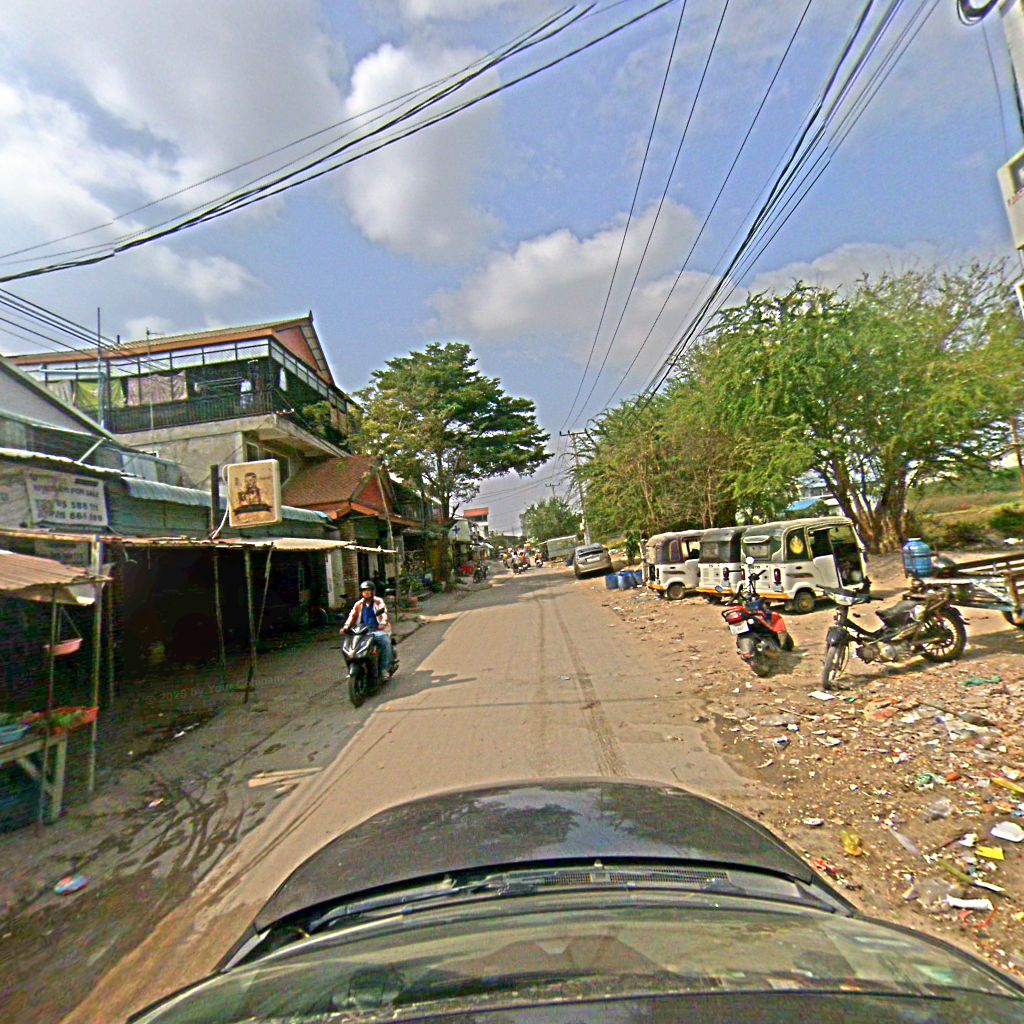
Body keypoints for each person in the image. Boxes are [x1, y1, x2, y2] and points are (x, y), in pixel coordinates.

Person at [342, 580, 396, 678]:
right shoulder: (358, 604)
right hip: (362, 631)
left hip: (377, 630)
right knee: (348, 647)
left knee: (385, 641)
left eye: (368, 590)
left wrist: (382, 623)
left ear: (372, 591)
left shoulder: (378, 601)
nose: (366, 592)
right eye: (364, 591)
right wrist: (345, 627)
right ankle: (352, 668)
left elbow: (383, 614)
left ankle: (384, 669)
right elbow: (352, 617)